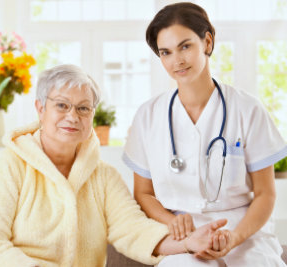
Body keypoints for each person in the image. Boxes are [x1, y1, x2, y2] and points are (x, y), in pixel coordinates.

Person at [0, 64, 228, 267]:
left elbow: (133, 229)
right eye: (61, 105)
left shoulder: (104, 177)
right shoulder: (6, 166)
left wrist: (187, 243)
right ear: (40, 109)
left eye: (83, 108)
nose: (72, 116)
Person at [123, 2, 287, 267]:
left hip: (244, 234)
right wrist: (171, 220)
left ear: (207, 42)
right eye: (165, 52)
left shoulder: (247, 109)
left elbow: (266, 194)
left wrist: (234, 237)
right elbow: (143, 194)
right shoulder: (148, 116)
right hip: (184, 236)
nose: (176, 61)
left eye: (185, 46)